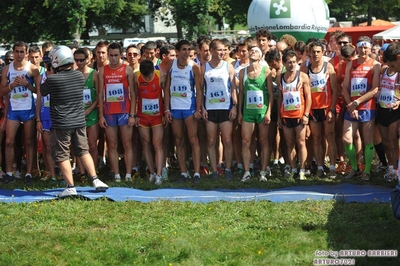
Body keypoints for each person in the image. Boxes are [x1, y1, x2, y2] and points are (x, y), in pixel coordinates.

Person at [40, 45, 108, 197]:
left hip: (61, 123)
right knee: (83, 151)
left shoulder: (53, 79)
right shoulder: (78, 76)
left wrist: (49, 71)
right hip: (79, 121)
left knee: (63, 155)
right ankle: (96, 180)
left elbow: (43, 90)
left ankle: (70, 186)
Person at [0, 41, 40, 184]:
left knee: (29, 141)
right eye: (16, 51)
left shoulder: (33, 69)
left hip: (28, 109)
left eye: (22, 51)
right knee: (9, 141)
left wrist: (27, 85)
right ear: (14, 52)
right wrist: (11, 86)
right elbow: (1, 91)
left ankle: (28, 173)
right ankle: (9, 172)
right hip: (13, 110)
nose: (19, 54)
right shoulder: (7, 69)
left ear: (26, 53)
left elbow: (39, 92)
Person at [342, 37, 381, 181]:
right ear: (356, 48)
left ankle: (367, 171)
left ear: (370, 48)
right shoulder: (350, 64)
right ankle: (355, 167)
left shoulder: (375, 65)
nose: (363, 51)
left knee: (368, 140)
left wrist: (356, 102)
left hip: (367, 107)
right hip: (352, 107)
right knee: (346, 139)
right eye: (360, 48)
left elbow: (375, 89)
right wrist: (350, 105)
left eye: (366, 48)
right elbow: (345, 88)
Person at [164, 40, 202, 183]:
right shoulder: (171, 65)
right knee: (179, 140)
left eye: (189, 49)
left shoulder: (194, 67)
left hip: (189, 108)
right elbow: (167, 88)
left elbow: (199, 90)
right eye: (184, 49)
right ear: (178, 51)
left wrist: (198, 109)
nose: (187, 52)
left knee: (193, 140)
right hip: (175, 108)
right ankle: (183, 172)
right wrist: (167, 108)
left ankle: (197, 173)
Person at [98, 42, 136, 182]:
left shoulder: (127, 70)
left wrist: (132, 114)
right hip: (109, 113)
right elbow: (100, 95)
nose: (113, 58)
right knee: (112, 144)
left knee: (127, 144)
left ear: (121, 55)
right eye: (111, 55)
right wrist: (101, 115)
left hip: (124, 112)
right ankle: (116, 175)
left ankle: (128, 174)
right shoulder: (103, 70)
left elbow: (133, 94)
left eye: (116, 55)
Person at [301, 40, 339, 179]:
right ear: (309, 54)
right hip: (313, 109)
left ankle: (333, 167)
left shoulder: (328, 67)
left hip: (326, 108)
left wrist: (332, 109)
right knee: (316, 138)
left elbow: (335, 90)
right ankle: (320, 167)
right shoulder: (305, 69)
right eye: (313, 52)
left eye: (318, 52)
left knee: (330, 137)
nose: (316, 54)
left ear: (323, 53)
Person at [201, 39, 237, 181]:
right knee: (211, 140)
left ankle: (227, 169)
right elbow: (199, 89)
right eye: (219, 50)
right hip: (210, 108)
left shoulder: (228, 67)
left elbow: (234, 88)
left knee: (227, 140)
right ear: (212, 51)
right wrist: (202, 107)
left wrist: (234, 106)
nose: (222, 52)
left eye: (224, 50)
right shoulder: (204, 67)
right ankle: (214, 169)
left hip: (225, 107)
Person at [238, 46, 273, 182]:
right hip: (247, 112)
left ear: (260, 56)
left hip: (262, 111)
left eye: (256, 51)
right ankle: (247, 172)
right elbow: (241, 93)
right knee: (245, 141)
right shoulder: (242, 72)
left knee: (263, 141)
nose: (252, 52)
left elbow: (271, 94)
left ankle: (263, 172)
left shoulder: (266, 71)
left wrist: (268, 112)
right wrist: (240, 112)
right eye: (251, 50)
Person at [277, 50, 312, 181]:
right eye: (289, 62)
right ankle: (293, 168)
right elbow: (279, 98)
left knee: (301, 142)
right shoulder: (280, 77)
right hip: (286, 116)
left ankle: (302, 170)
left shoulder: (302, 76)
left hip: (299, 115)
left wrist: (306, 115)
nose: (292, 65)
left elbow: (308, 97)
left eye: (294, 62)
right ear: (284, 63)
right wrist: (279, 118)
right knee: (289, 143)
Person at [134, 60, 165, 185]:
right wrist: (134, 114)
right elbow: (134, 96)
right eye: (145, 76)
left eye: (150, 76)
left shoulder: (160, 75)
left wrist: (166, 110)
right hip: (142, 116)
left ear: (153, 70)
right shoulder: (136, 77)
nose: (147, 78)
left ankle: (159, 175)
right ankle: (151, 173)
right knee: (145, 144)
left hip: (157, 116)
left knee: (157, 144)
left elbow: (166, 94)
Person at [74, 48, 100, 173]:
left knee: (92, 145)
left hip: (92, 113)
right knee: (80, 146)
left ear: (88, 59)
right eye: (76, 60)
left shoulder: (94, 74)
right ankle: (82, 172)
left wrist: (89, 110)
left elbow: (99, 97)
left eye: (81, 60)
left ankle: (93, 172)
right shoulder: (73, 74)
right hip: (78, 114)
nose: (79, 63)